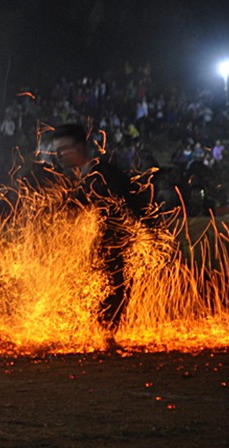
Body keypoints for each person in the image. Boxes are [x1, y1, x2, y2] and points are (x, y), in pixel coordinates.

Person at [52, 123, 147, 332]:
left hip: (111, 249)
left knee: (109, 294)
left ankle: (105, 338)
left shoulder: (103, 175)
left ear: (79, 148)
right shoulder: (83, 177)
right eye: (56, 150)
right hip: (95, 250)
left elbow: (126, 208)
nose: (58, 155)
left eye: (63, 149)